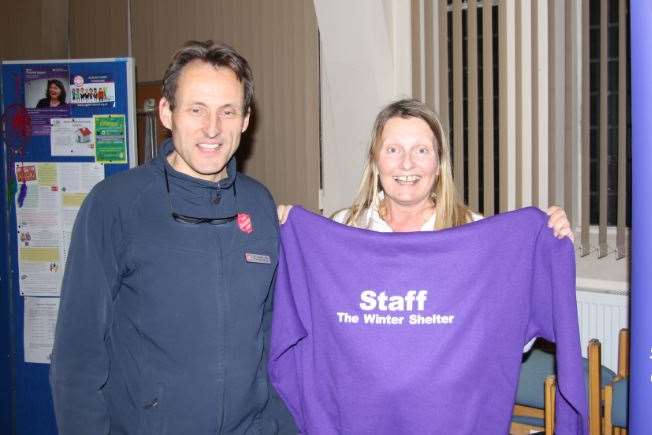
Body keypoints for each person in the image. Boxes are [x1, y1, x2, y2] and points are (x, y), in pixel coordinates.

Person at [50, 40, 296, 435]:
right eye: (196, 109)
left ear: (246, 119)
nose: (212, 128)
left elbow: (272, 336)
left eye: (227, 111)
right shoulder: (116, 205)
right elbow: (77, 357)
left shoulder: (259, 204)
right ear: (168, 112)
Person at [278, 98, 572, 238]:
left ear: (439, 165)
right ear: (375, 162)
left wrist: (548, 245)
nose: (407, 163)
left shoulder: (474, 231)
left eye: (421, 150)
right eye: (393, 149)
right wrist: (282, 230)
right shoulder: (342, 227)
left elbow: (510, 321)